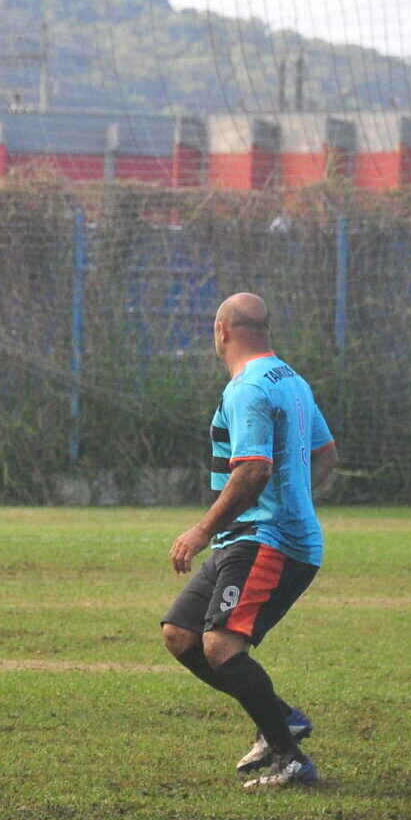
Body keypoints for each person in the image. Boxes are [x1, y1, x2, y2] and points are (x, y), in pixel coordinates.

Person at [160, 293, 335, 791]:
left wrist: (201, 530)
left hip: (267, 540)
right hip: (247, 538)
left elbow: (253, 470)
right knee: (181, 634)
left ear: (221, 331)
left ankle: (289, 757)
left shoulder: (248, 388)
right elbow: (326, 453)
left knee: (219, 644)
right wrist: (296, 495)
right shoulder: (290, 379)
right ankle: (280, 717)